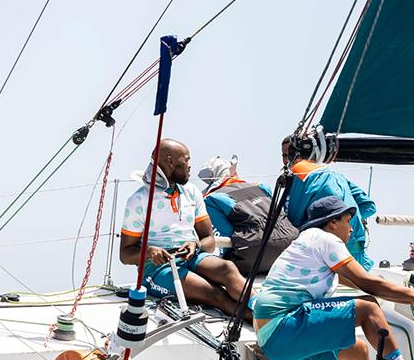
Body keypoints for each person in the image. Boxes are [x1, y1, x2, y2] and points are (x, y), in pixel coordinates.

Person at [250, 196, 414, 360]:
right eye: (348, 221)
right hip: (283, 326)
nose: (352, 229)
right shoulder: (326, 239)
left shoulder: (307, 242)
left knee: (358, 353)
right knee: (368, 307)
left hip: (272, 341)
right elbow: (370, 286)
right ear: (333, 222)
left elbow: (365, 284)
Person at [120, 139, 250, 319]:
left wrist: (195, 244)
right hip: (157, 271)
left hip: (192, 257)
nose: (190, 166)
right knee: (214, 293)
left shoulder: (192, 192)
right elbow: (125, 254)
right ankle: (264, 323)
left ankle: (268, 312)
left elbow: (209, 240)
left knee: (227, 268)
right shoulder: (139, 200)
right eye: (187, 160)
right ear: (170, 161)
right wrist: (149, 252)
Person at [282, 136, 377, 271]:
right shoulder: (335, 174)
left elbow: (293, 220)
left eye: (288, 155)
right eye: (283, 155)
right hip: (357, 253)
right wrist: (348, 220)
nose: (286, 160)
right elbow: (369, 206)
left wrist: (332, 221)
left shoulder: (301, 173)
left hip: (330, 254)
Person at [198, 155, 298, 277]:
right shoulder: (262, 187)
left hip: (254, 253)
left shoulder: (212, 199)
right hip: (292, 246)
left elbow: (225, 233)